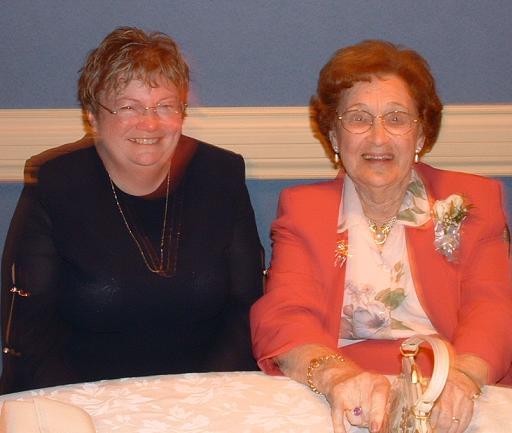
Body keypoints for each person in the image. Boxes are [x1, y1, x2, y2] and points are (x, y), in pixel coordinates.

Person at [250, 40, 512, 433]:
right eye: (358, 118)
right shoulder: (304, 209)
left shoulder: (473, 200)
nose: (378, 137)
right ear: (334, 136)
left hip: (447, 388)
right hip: (342, 392)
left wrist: (461, 378)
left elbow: (491, 307)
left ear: (420, 134)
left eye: (396, 118)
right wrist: (336, 376)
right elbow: (285, 314)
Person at [1, 26, 263, 394]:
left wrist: (201, 394)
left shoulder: (221, 175)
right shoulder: (56, 184)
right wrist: (93, 407)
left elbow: (247, 310)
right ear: (93, 116)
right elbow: (30, 333)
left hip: (205, 395)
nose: (150, 123)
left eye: (165, 106)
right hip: (84, 398)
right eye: (128, 107)